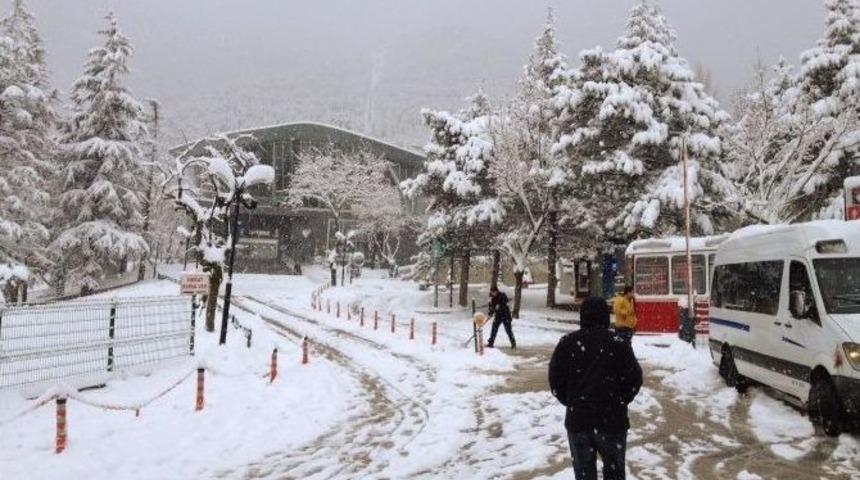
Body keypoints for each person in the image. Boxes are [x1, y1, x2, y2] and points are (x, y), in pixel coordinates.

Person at [549, 296, 642, 480]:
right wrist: (620, 400)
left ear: (582, 316)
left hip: (579, 420)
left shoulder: (568, 343)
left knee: (584, 475)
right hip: (612, 421)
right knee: (615, 473)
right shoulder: (618, 343)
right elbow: (634, 379)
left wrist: (573, 401)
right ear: (606, 317)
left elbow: (556, 381)